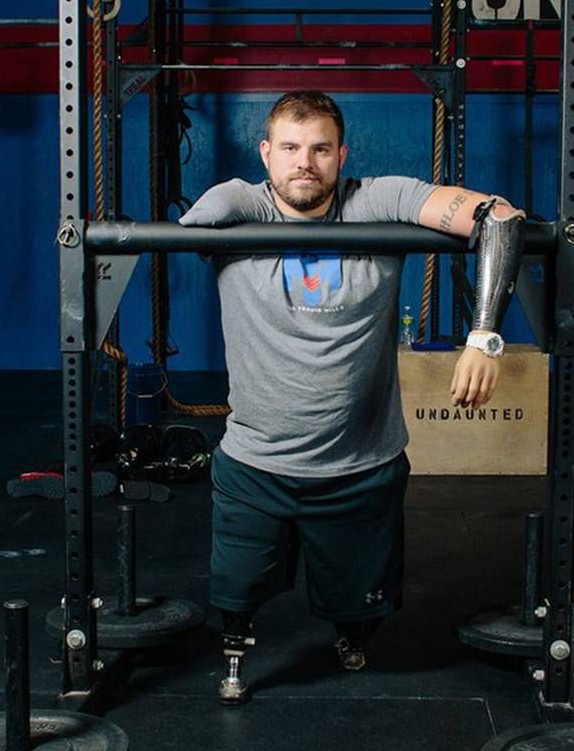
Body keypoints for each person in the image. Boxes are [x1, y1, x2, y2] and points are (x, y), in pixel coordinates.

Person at [179, 91, 525, 705]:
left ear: (342, 154)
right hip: (258, 463)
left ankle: (351, 631)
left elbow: (498, 217)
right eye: (289, 148)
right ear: (266, 154)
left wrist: (485, 334)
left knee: (362, 604)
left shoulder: (380, 200)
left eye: (319, 148)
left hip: (361, 463)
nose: (304, 162)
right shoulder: (237, 204)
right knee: (236, 593)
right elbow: (186, 229)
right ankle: (237, 641)